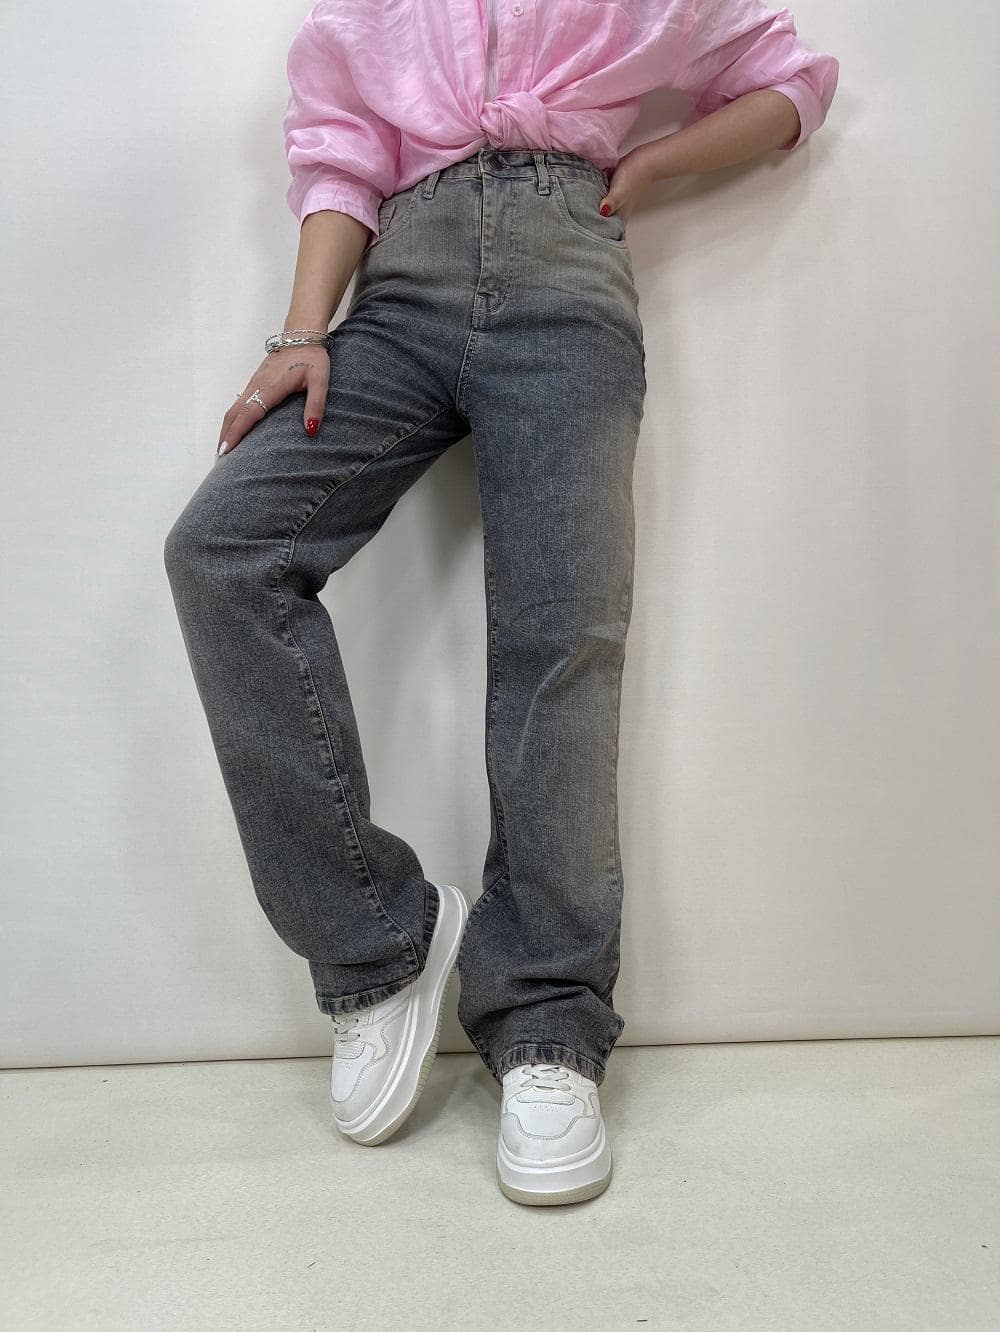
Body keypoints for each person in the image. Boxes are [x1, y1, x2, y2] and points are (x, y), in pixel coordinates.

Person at [163, 0, 838, 1206]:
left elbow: (786, 85)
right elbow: (341, 154)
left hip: (568, 281)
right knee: (224, 552)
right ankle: (377, 946)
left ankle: (546, 1026)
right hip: (398, 294)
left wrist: (649, 166)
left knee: (560, 638)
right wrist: (302, 331)